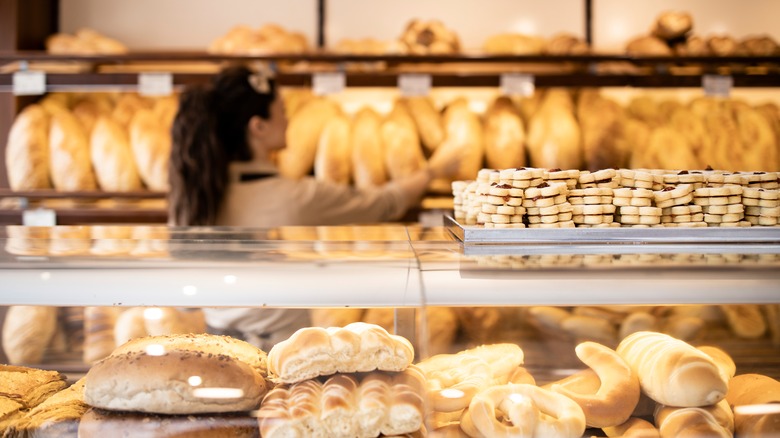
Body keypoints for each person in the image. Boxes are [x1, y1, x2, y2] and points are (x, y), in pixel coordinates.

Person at [168, 63, 460, 349]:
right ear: (258, 126)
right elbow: (384, 203)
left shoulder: (195, 195)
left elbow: (186, 303)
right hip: (278, 352)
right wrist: (434, 170)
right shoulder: (295, 198)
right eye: (282, 111)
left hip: (217, 346)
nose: (289, 119)